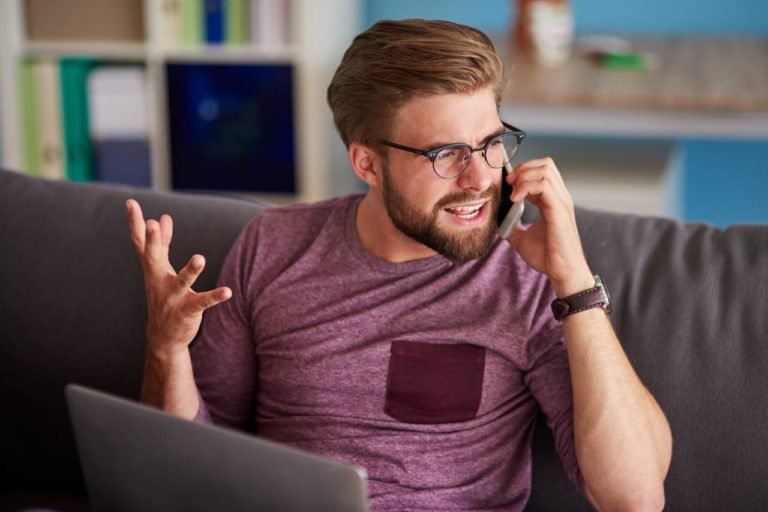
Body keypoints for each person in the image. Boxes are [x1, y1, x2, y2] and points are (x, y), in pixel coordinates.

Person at [127, 19, 671, 511]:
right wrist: (167, 348)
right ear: (367, 163)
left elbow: (634, 495)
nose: (480, 178)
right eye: (445, 154)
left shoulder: (529, 277)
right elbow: (197, 455)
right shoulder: (273, 245)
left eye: (490, 144)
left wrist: (573, 280)